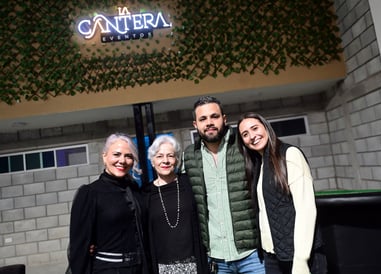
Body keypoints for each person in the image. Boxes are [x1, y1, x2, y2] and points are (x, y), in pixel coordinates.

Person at [183, 96, 265, 274]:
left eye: (214, 116)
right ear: (195, 124)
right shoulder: (189, 156)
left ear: (224, 119)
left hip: (252, 255)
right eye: (203, 119)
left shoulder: (244, 146)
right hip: (216, 259)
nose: (209, 123)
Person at [237, 112, 327, 274]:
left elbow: (306, 209)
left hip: (300, 258)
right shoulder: (258, 165)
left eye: (255, 128)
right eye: (245, 134)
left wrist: (301, 259)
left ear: (266, 127)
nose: (252, 136)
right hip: (273, 257)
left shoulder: (289, 154)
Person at [68, 133, 149, 274]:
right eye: (116, 154)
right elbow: (79, 248)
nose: (122, 160)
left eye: (128, 156)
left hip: (140, 269)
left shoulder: (135, 191)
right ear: (104, 156)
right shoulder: (90, 193)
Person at [141, 135, 208, 274]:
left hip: (194, 265)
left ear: (176, 159)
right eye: (159, 156)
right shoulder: (145, 194)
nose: (165, 161)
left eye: (170, 156)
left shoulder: (189, 183)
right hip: (162, 268)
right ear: (152, 161)